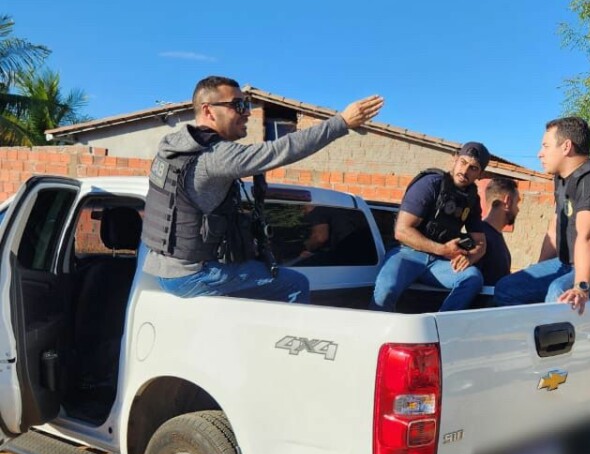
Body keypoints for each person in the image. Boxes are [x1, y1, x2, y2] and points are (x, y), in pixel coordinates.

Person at [141, 75, 382, 302]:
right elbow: (280, 150)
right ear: (208, 110)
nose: (247, 113)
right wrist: (341, 123)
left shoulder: (175, 151)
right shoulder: (214, 156)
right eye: (238, 105)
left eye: (247, 105)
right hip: (193, 275)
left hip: (165, 269)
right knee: (295, 283)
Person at [493, 116, 590, 315]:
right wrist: (540, 272)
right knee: (507, 289)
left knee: (560, 293)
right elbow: (553, 232)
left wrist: (581, 287)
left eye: (545, 146)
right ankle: (526, 342)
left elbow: (587, 235)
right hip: (567, 264)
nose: (539, 154)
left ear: (566, 146)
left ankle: (555, 345)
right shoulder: (562, 180)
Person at [370, 143, 490, 312]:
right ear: (454, 160)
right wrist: (442, 249)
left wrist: (470, 257)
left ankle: (440, 327)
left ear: (480, 174)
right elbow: (402, 231)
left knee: (472, 278)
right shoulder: (430, 184)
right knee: (385, 292)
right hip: (407, 254)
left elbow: (480, 243)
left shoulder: (471, 199)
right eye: (463, 162)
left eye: (473, 168)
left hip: (439, 263)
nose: (465, 171)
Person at [478, 175, 520, 286]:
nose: (518, 209)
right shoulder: (481, 238)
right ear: (507, 202)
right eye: (517, 203)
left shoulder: (492, 235)